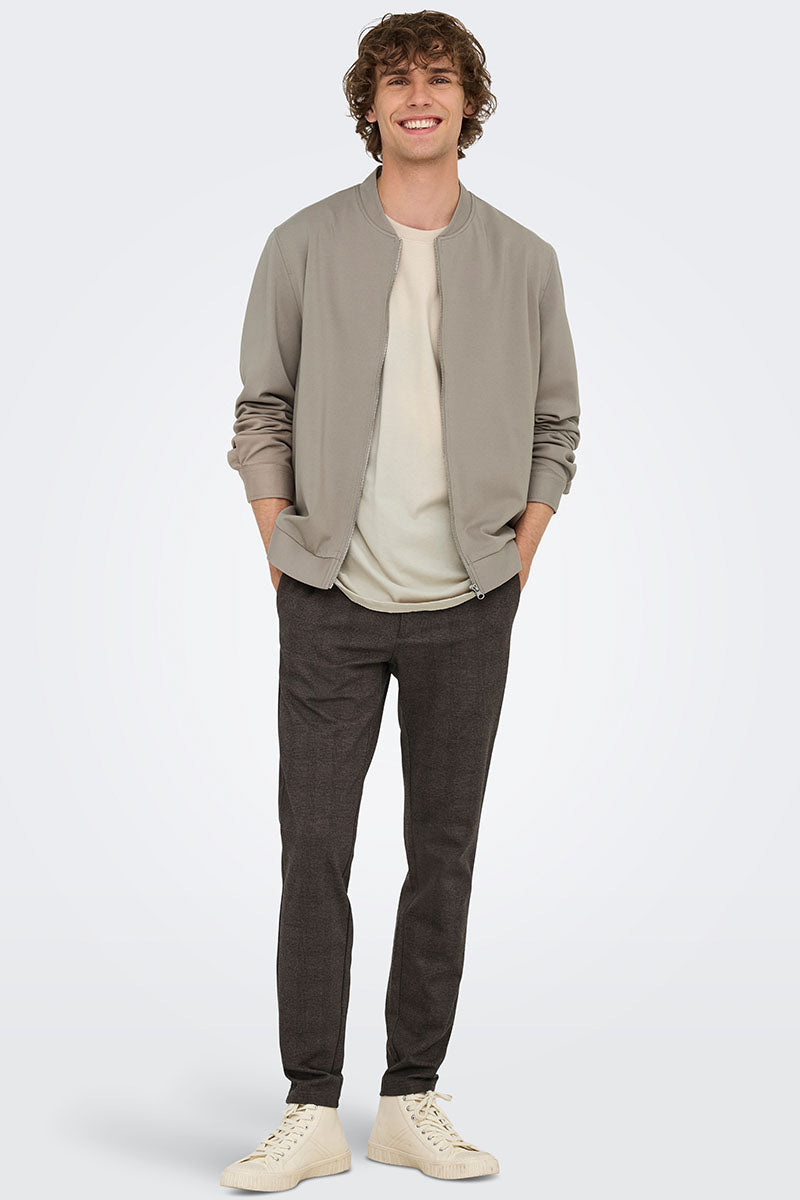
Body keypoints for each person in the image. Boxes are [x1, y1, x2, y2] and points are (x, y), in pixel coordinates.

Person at [220, 10, 580, 1191]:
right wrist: (281, 543)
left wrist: (517, 552)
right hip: (328, 596)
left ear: (467, 103)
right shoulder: (303, 242)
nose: (416, 96)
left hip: (469, 602)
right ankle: (309, 1109)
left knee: (442, 852)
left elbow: (555, 425)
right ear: (368, 104)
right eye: (395, 79)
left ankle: (408, 1100)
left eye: (437, 78)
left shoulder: (523, 258)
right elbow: (261, 407)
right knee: (313, 851)